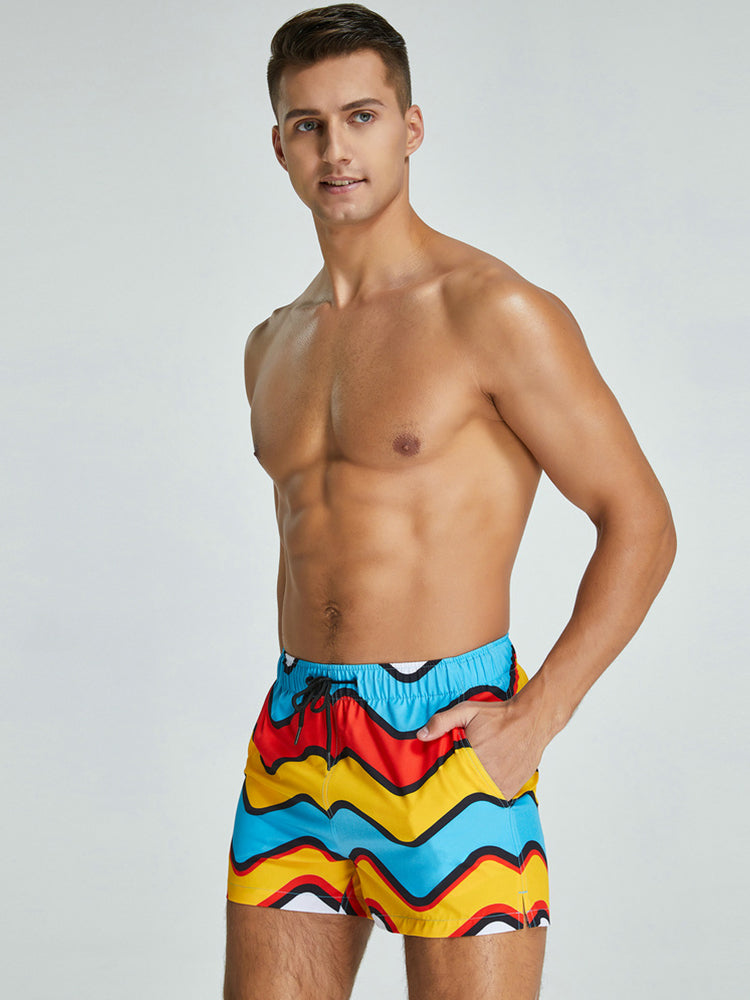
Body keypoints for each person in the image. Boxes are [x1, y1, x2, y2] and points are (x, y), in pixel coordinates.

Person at [223, 5, 676, 998]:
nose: (336, 149)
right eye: (308, 125)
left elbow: (640, 519)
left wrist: (539, 714)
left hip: (447, 738)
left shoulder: (491, 310)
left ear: (411, 128)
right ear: (280, 146)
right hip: (297, 740)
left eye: (361, 116)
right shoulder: (272, 343)